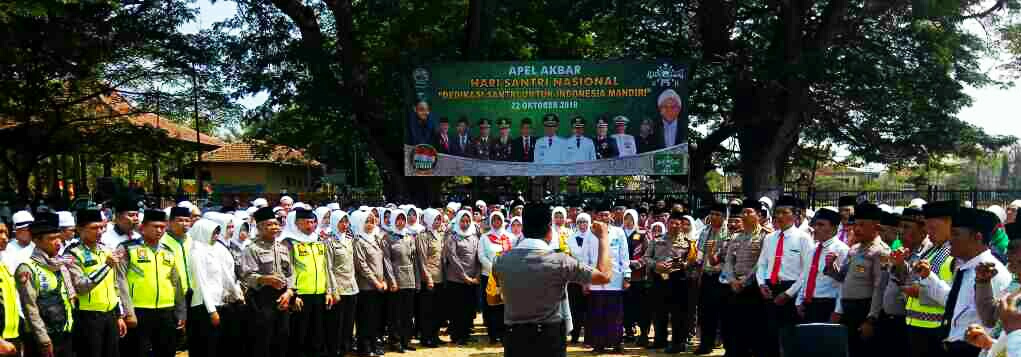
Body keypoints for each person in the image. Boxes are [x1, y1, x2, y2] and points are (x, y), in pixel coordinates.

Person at [491, 202, 614, 357]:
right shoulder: (560, 261)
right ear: (549, 229)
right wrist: (603, 238)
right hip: (549, 339)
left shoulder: (501, 261)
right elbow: (604, 276)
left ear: (523, 228)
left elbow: (494, 296)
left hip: (515, 338)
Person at [918, 208, 1011, 357]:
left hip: (974, 350)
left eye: (956, 234)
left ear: (977, 237)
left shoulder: (993, 272)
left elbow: (997, 324)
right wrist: (929, 277)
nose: (950, 239)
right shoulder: (965, 267)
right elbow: (952, 302)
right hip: (952, 347)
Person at [115, 209, 187, 357]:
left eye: (162, 226)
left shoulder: (168, 251)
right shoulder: (128, 248)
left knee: (167, 351)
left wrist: (181, 312)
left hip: (166, 311)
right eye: (155, 226)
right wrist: (128, 312)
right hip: (139, 311)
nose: (159, 230)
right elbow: (120, 281)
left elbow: (176, 283)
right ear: (142, 228)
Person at [824, 203, 890, 357]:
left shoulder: (880, 251)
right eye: (855, 224)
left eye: (862, 225)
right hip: (849, 311)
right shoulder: (854, 249)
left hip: (864, 310)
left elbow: (879, 288)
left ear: (875, 226)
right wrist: (831, 267)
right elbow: (842, 277)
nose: (856, 229)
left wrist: (871, 320)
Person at [755, 196, 814, 357]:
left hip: (791, 289)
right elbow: (762, 265)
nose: (779, 216)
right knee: (769, 333)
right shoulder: (769, 238)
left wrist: (789, 294)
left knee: (789, 334)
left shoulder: (804, 238)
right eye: (777, 213)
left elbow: (807, 271)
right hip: (769, 288)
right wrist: (761, 284)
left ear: (795, 215)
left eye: (784, 212)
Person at [65, 209, 125, 357]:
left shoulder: (106, 250)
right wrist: (106, 266)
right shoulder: (72, 254)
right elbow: (81, 287)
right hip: (88, 317)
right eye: (93, 228)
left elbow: (114, 285)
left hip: (110, 315)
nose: (99, 231)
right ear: (79, 229)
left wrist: (119, 315)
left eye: (101, 227)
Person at [901, 200, 958, 357]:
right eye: (926, 227)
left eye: (933, 228)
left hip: (935, 329)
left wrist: (918, 292)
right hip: (917, 325)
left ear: (949, 224)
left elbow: (954, 297)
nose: (927, 232)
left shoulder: (953, 253)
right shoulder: (932, 250)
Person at [17, 212, 75, 357]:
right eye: (51, 239)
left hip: (65, 332)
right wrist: (43, 340)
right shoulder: (27, 268)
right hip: (43, 338)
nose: (58, 243)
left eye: (59, 238)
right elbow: (30, 308)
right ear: (37, 240)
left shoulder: (60, 263)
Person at [240, 207, 295, 357]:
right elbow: (246, 276)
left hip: (283, 298)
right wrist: (264, 279)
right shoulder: (252, 249)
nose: (274, 227)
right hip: (261, 299)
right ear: (259, 228)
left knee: (282, 335)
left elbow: (290, 273)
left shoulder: (283, 248)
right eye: (269, 225)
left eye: (276, 224)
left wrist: (289, 292)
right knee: (262, 338)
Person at [280, 208, 334, 357]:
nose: (310, 226)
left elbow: (325, 267)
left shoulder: (318, 240)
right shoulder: (288, 242)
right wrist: (293, 295)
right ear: (296, 224)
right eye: (305, 222)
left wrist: (328, 291)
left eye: (312, 222)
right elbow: (286, 271)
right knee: (299, 336)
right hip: (300, 296)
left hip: (319, 294)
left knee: (317, 335)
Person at [186, 218, 243, 357]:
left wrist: (236, 294)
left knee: (219, 345)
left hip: (220, 303)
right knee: (206, 346)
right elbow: (201, 283)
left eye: (218, 232)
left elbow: (225, 275)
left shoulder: (215, 249)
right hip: (204, 306)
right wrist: (212, 311)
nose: (217, 235)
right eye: (213, 232)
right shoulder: (196, 252)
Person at [645, 211, 698, 353]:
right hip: (659, 280)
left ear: (681, 226)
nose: (674, 226)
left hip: (678, 281)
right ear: (667, 224)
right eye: (672, 223)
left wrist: (682, 264)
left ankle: (678, 343)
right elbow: (646, 258)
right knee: (659, 312)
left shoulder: (688, 243)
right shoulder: (656, 239)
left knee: (678, 314)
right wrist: (656, 265)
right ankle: (659, 340)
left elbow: (692, 262)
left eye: (677, 224)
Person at [585, 203, 631, 353]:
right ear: (595, 217)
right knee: (597, 313)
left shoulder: (618, 232)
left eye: (606, 215)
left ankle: (617, 343)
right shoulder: (589, 233)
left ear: (611, 215)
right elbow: (585, 258)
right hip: (595, 279)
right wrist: (584, 280)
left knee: (615, 314)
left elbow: (624, 256)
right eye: (601, 215)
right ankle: (598, 345)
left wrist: (627, 276)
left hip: (615, 279)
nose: (604, 218)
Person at [794, 208, 849, 324]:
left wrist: (838, 310)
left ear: (834, 228)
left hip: (827, 305)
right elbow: (806, 276)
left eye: (821, 225)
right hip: (808, 303)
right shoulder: (813, 249)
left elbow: (843, 283)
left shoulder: (841, 249)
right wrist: (799, 300)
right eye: (815, 224)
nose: (816, 228)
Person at [381, 209, 419, 352]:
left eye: (403, 219)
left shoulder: (409, 237)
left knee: (408, 313)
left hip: (409, 279)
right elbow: (387, 261)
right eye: (398, 219)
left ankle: (405, 340)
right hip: (396, 281)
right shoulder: (388, 238)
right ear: (393, 220)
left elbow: (414, 259)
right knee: (395, 313)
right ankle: (395, 341)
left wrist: (416, 280)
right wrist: (392, 281)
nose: (401, 222)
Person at [694, 203, 729, 355]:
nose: (714, 217)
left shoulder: (728, 232)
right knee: (705, 312)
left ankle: (725, 344)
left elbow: (727, 258)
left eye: (717, 214)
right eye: (712, 214)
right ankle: (705, 344)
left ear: (724, 217)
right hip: (707, 276)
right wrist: (700, 275)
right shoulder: (705, 231)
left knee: (723, 313)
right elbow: (700, 256)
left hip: (722, 277)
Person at [351, 210, 387, 357]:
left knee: (375, 317)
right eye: (367, 221)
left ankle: (373, 344)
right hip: (366, 286)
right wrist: (376, 282)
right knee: (365, 317)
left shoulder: (376, 239)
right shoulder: (358, 241)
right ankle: (364, 346)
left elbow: (382, 261)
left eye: (372, 221)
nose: (370, 224)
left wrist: (383, 280)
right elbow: (361, 265)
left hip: (379, 285)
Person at [443, 210, 481, 346]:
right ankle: (456, 335)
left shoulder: (474, 237)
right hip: (456, 279)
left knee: (468, 308)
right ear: (458, 221)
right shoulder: (452, 238)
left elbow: (478, 257)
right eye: (462, 221)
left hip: (472, 280)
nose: (465, 224)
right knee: (456, 309)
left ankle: (465, 334)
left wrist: (476, 276)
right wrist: (464, 277)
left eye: (467, 221)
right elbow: (453, 258)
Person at [479, 211, 513, 345]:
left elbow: (513, 254)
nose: (497, 223)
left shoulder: (509, 237)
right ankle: (493, 334)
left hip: (506, 276)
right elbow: (481, 256)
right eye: (494, 220)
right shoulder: (485, 237)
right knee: (491, 306)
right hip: (489, 276)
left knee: (504, 305)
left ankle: (503, 333)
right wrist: (494, 269)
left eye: (499, 220)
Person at [416, 209, 446, 348]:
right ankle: (426, 337)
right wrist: (428, 278)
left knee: (438, 310)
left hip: (440, 277)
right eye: (435, 219)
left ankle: (435, 335)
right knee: (427, 310)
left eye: (439, 219)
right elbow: (422, 259)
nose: (438, 222)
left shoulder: (440, 235)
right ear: (428, 220)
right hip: (429, 278)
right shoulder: (422, 236)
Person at [622, 208, 652, 346]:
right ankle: (628, 331)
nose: (628, 221)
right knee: (626, 305)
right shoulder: (618, 232)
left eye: (631, 219)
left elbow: (648, 253)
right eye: (626, 218)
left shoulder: (642, 233)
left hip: (638, 276)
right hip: (622, 276)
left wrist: (636, 263)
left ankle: (643, 333)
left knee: (641, 306)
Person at [565, 213, 593, 344]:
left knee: (589, 309)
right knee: (575, 308)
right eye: (580, 222)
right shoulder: (570, 238)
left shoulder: (594, 238)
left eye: (585, 222)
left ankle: (589, 337)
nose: (582, 225)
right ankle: (575, 335)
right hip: (574, 277)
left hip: (590, 276)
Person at [0, 218, 19, 356]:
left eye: (6, 233)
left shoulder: (5, 263)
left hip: (12, 336)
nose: (4, 238)